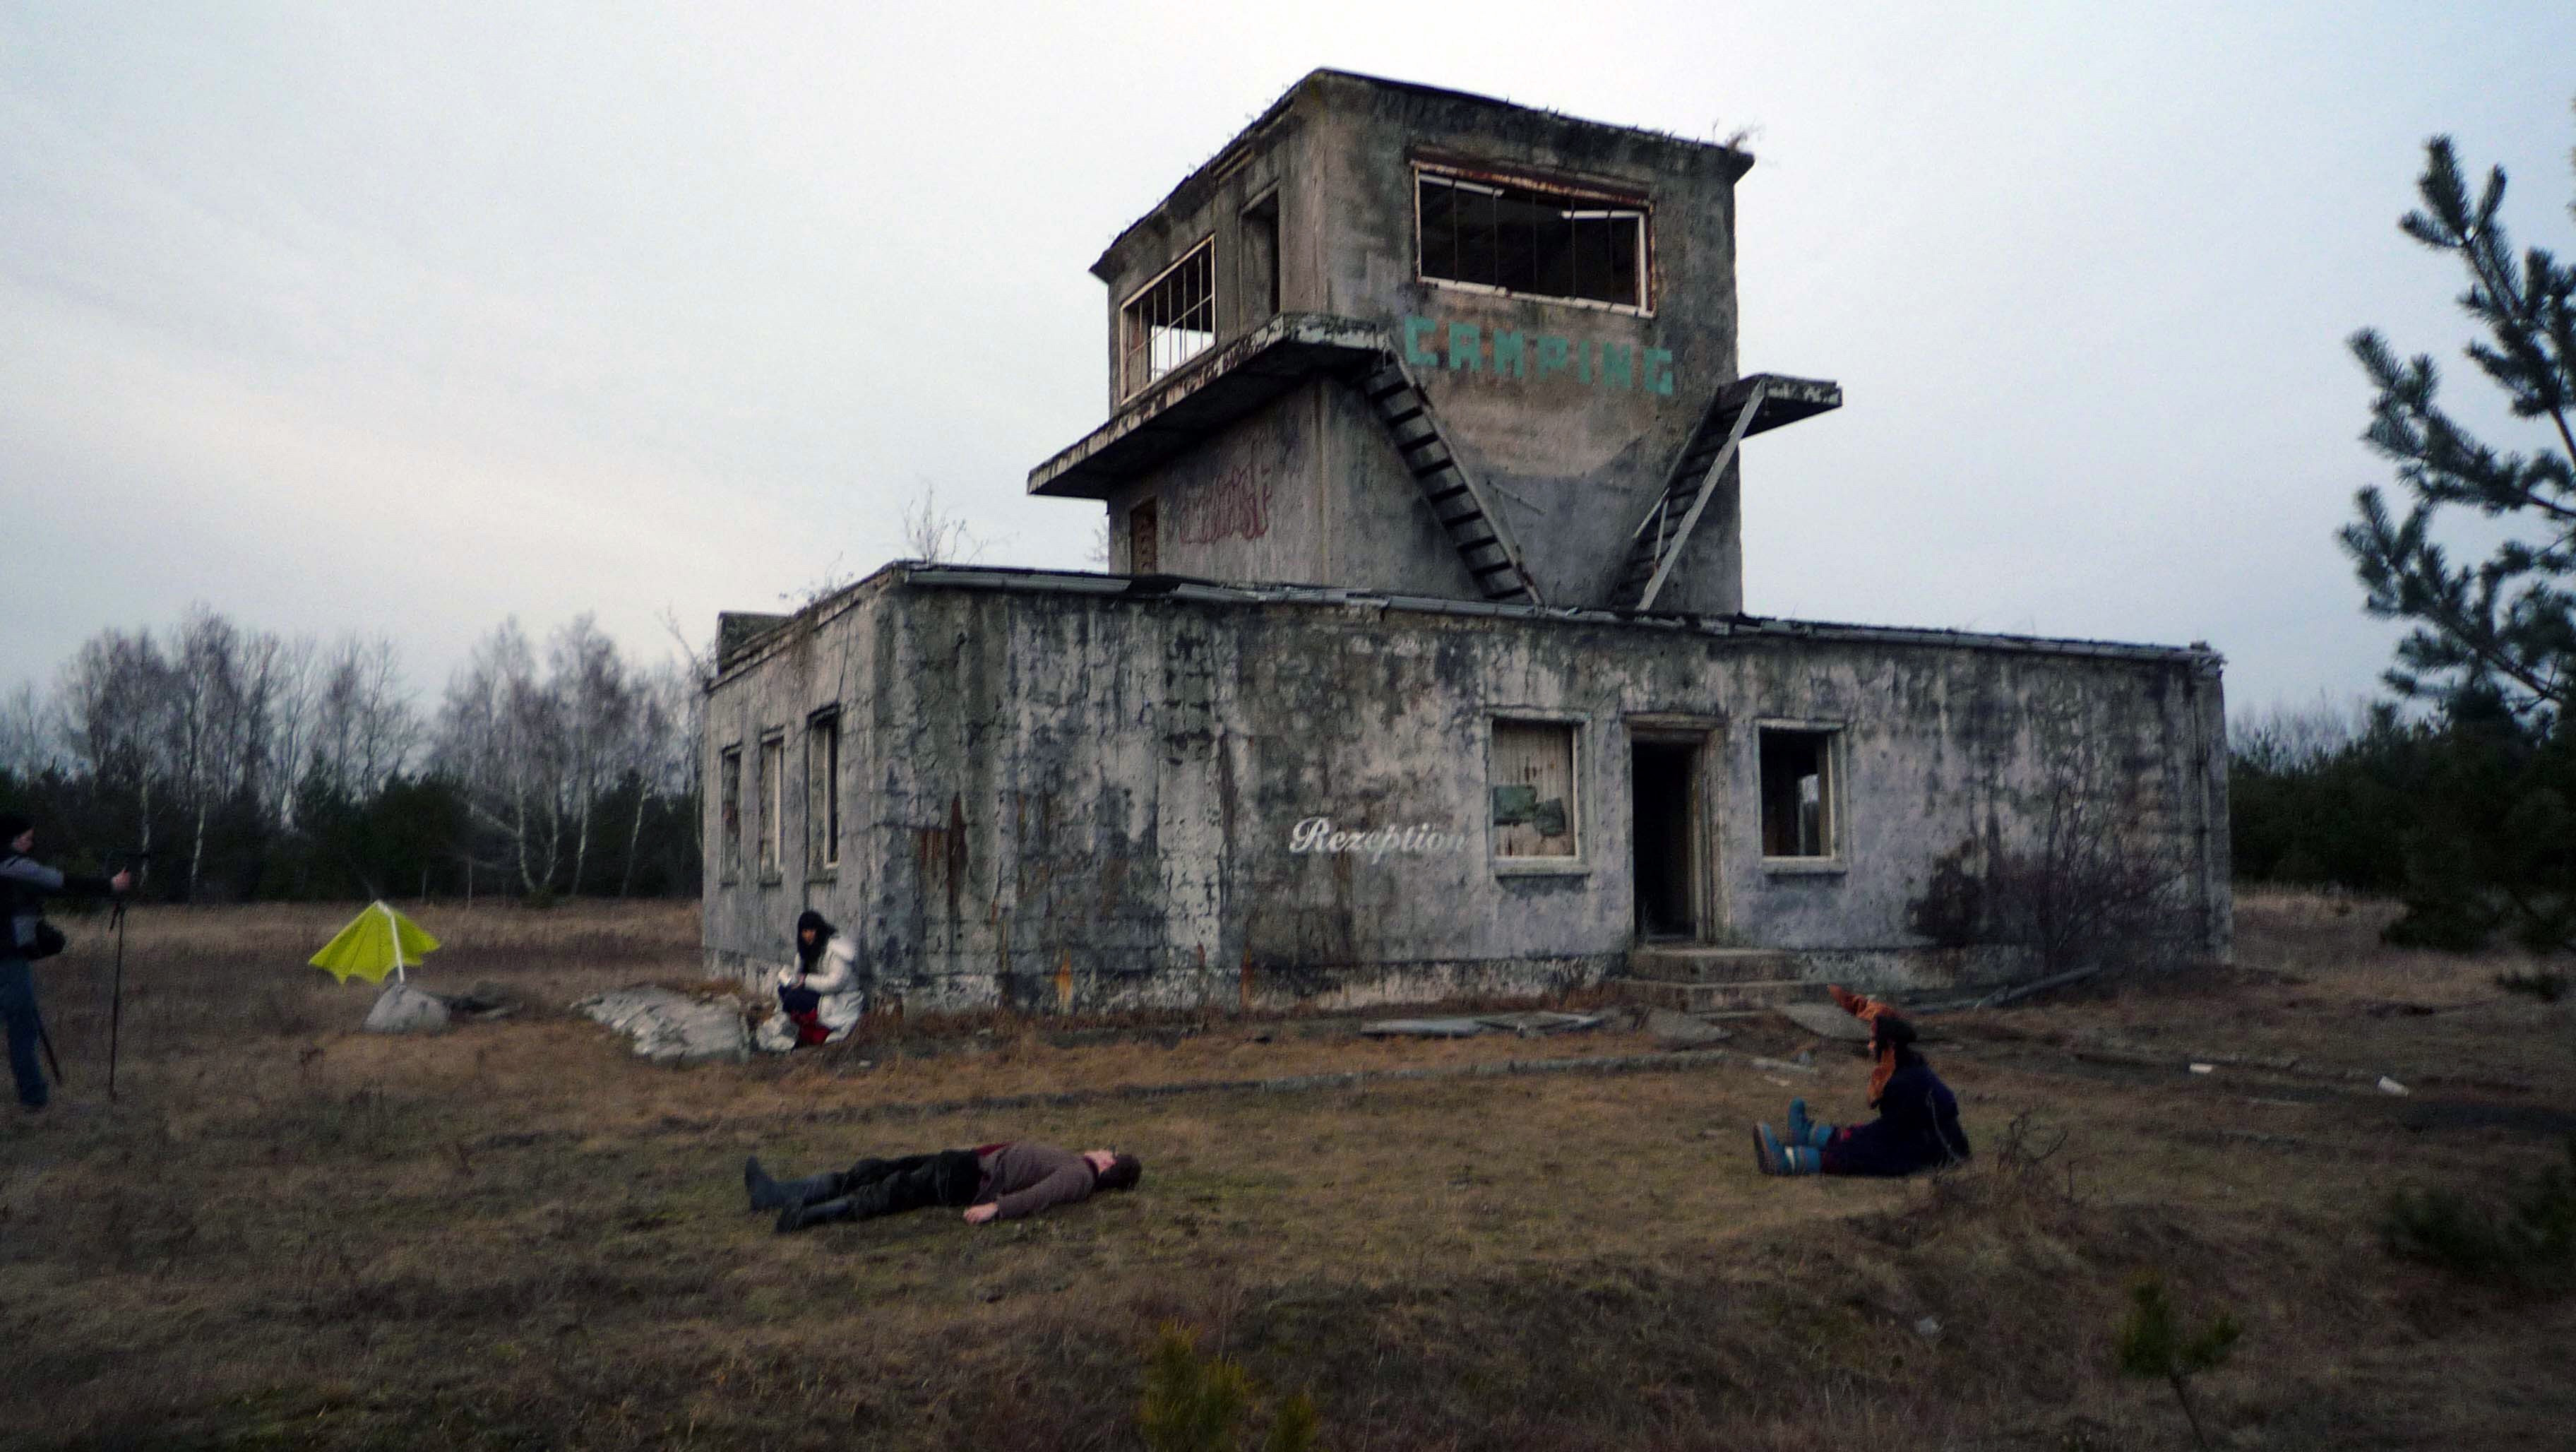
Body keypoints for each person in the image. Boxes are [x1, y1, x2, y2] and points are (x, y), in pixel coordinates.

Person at [1753, 984, 1970, 1177]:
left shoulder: (1906, 1081)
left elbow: (1891, 1134)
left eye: (1874, 1041)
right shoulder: (1904, 1070)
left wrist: (1856, 1140)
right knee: (1862, 1136)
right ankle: (1807, 1135)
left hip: (1934, 1150)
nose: (1870, 1046)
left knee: (1858, 1152)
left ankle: (1786, 1161)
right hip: (1929, 1141)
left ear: (1890, 1045)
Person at [0, 812, 132, 1112]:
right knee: (23, 1026)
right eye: (28, 839)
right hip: (8, 959)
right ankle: (34, 1098)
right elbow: (60, 882)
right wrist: (110, 885)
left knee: (21, 1020)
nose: (31, 844)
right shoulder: (13, 866)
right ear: (14, 839)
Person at [744, 1140, 1144, 1232]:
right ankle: (776, 1195)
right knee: (873, 1172)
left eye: (1106, 1150)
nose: (1099, 1148)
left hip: (968, 1180)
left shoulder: (1080, 1175)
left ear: (1108, 1162)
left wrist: (997, 1209)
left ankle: (801, 1216)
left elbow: (1043, 1195)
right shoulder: (1078, 1168)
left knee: (884, 1193)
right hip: (965, 1165)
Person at [754, 908, 863, 1052]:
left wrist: (805, 980)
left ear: (819, 930)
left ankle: (799, 1031)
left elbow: (835, 983)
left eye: (812, 930)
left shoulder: (836, 951)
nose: (808, 935)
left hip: (841, 1000)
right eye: (805, 931)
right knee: (784, 990)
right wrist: (793, 974)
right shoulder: (811, 948)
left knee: (793, 997)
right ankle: (796, 1029)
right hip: (824, 994)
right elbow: (800, 975)